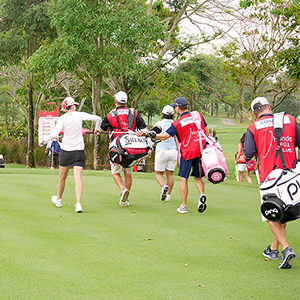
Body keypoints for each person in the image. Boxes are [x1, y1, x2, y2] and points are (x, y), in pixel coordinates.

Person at [243, 96, 300, 269]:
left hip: (269, 178)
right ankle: (273, 248)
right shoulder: (289, 119)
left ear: (254, 113)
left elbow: (249, 152)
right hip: (291, 173)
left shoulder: (253, 127)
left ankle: (286, 248)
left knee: (271, 212)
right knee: (283, 212)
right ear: (269, 106)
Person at [138, 97, 209, 214]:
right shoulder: (197, 115)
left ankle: (184, 206)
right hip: (199, 150)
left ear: (177, 107)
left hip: (187, 152)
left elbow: (164, 136)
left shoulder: (178, 123)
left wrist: (148, 134)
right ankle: (201, 194)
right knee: (198, 177)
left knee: (183, 178)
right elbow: (206, 131)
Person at [41, 97, 102, 213]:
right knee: (78, 178)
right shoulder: (80, 115)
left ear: (65, 108)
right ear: (72, 106)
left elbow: (55, 133)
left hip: (66, 151)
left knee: (62, 177)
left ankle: (58, 199)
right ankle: (78, 204)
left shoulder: (62, 118)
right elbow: (98, 118)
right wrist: (97, 129)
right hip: (79, 151)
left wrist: (43, 140)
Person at [100, 91, 147, 207]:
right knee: (128, 173)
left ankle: (122, 189)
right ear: (126, 101)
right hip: (131, 147)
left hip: (117, 148)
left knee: (115, 173)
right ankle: (125, 200)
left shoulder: (111, 115)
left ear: (115, 101)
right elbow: (144, 129)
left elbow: (102, 129)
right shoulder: (134, 113)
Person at [153, 105, 178, 201]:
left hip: (162, 151)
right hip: (173, 151)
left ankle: (163, 186)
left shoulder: (159, 123)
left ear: (162, 114)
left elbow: (152, 136)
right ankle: (168, 195)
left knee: (158, 173)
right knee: (170, 174)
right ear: (173, 114)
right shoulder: (176, 123)